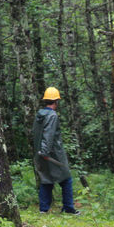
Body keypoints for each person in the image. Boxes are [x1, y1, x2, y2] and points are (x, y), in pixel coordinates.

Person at [32, 87, 80, 215]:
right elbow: (48, 135)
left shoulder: (39, 115)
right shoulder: (52, 115)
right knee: (66, 179)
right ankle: (69, 208)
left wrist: (40, 152)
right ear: (56, 101)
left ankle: (43, 209)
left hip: (40, 153)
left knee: (46, 180)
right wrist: (45, 152)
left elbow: (35, 134)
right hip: (52, 154)